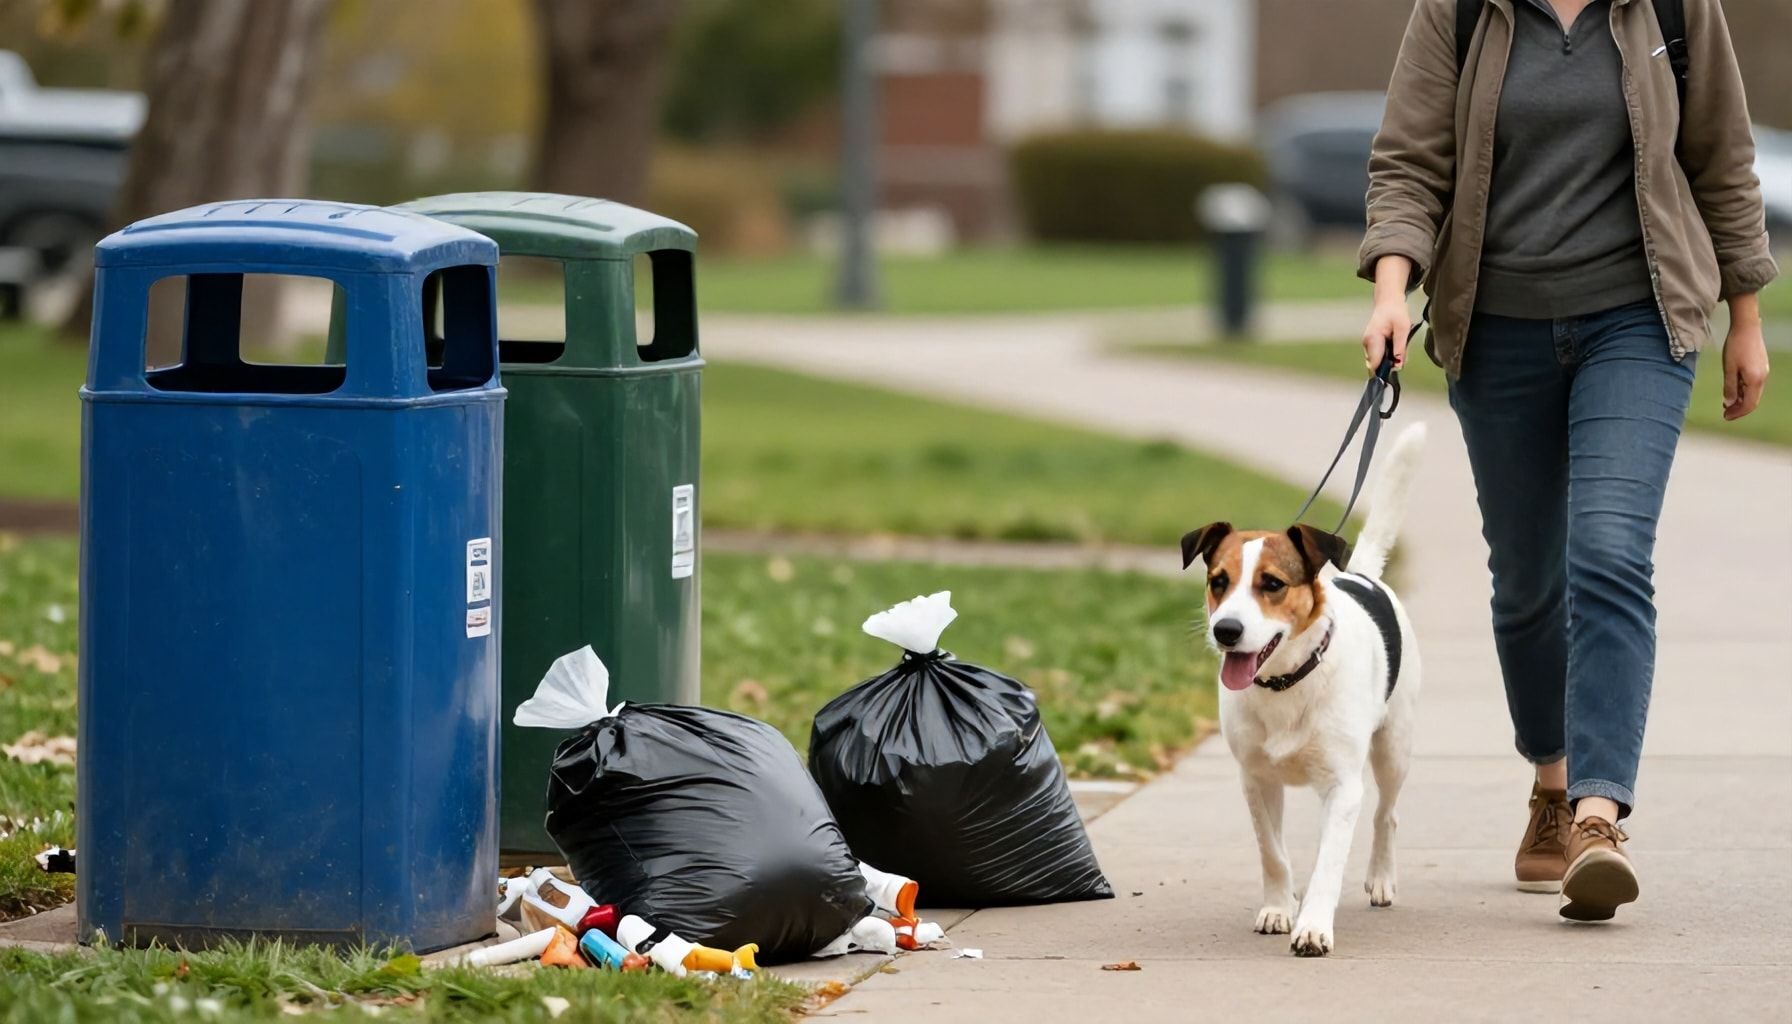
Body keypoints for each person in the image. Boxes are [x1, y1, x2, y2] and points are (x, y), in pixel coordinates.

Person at [1357, 0, 1776, 922]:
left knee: (1610, 552)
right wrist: (1392, 289)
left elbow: (1721, 154)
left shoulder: (1673, 8)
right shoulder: (1462, 11)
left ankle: (1597, 814)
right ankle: (1550, 781)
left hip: (1640, 319)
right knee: (1527, 581)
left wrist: (1745, 317)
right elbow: (1409, 159)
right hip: (1496, 330)